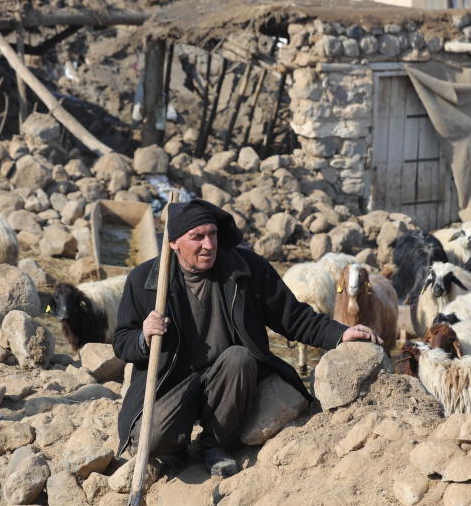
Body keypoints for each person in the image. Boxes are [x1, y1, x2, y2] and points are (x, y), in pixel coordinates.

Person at [112, 199, 382, 478]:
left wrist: (340, 333)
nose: (209, 244)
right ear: (174, 243)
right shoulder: (145, 281)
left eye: (212, 234)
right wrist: (143, 336)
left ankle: (215, 443)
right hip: (173, 384)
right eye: (197, 237)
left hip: (227, 379)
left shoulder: (244, 270)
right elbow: (122, 341)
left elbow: (293, 317)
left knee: (240, 356)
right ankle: (174, 447)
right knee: (149, 440)